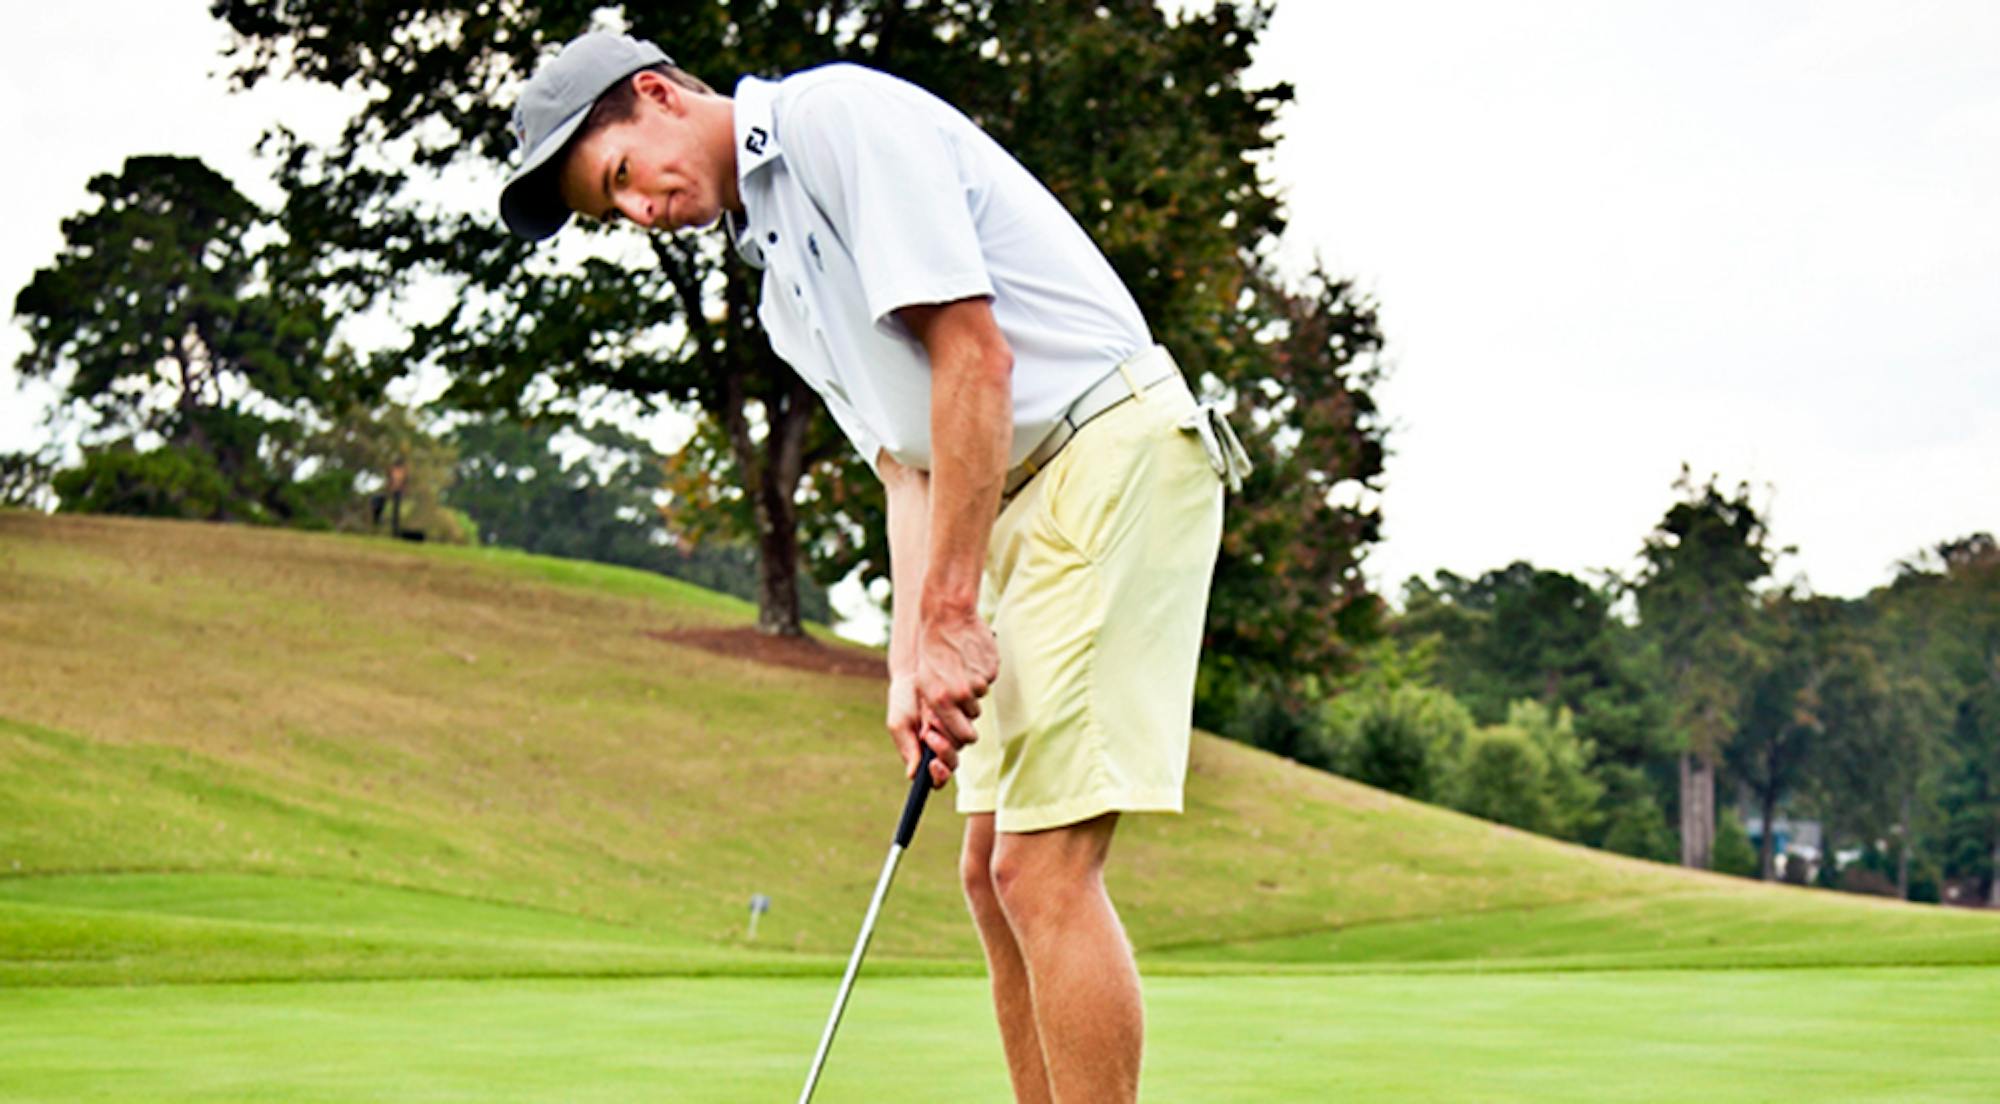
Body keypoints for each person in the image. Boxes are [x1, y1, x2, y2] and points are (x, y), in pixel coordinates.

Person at [500, 32, 1246, 1103]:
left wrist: (950, 615)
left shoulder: (836, 120)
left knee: (1038, 871)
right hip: (1009, 502)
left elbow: (973, 356)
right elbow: (908, 469)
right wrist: (909, 661)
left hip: (1102, 450)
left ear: (657, 97)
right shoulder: (776, 293)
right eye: (611, 212)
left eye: (622, 177)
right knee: (987, 878)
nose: (640, 212)